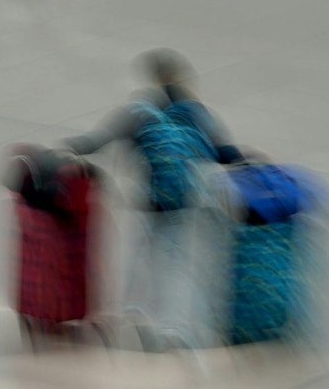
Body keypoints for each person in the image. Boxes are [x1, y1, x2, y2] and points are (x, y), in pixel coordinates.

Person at [65, 50, 241, 349]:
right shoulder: (197, 113)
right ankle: (172, 327)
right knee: (173, 262)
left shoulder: (139, 110)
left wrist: (67, 150)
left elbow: (96, 141)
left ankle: (132, 310)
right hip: (184, 200)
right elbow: (226, 154)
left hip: (150, 198)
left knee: (143, 251)